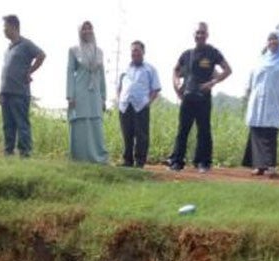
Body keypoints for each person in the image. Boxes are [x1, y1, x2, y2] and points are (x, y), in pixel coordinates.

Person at [167, 22, 231, 173]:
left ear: (207, 35)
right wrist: (176, 86)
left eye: (203, 33)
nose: (200, 35)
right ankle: (176, 162)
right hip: (188, 98)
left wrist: (213, 82)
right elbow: (175, 70)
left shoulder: (213, 52)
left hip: (203, 98)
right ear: (194, 35)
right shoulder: (186, 54)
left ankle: (203, 163)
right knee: (183, 130)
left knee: (204, 130)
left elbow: (228, 70)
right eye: (198, 33)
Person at [242, 31, 279, 177]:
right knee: (256, 129)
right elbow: (250, 79)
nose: (272, 42)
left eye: (275, 39)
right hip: (256, 99)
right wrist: (250, 93)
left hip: (274, 100)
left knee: (270, 131)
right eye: (270, 39)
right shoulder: (260, 59)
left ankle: (270, 167)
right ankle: (258, 166)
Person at [0, 15, 46, 157]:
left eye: (5, 27)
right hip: (6, 93)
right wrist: (1, 92)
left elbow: (41, 55)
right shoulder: (8, 49)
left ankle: (25, 153)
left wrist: (30, 71)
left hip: (20, 92)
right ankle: (8, 152)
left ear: (14, 27)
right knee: (8, 125)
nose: (3, 30)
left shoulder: (25, 44)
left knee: (21, 124)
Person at [66, 21, 109, 164]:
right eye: (83, 28)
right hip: (80, 91)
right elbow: (70, 72)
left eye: (89, 28)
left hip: (95, 92)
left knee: (95, 122)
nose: (87, 31)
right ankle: (80, 158)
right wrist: (70, 95)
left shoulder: (100, 52)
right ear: (79, 31)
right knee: (80, 122)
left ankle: (98, 157)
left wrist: (103, 97)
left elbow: (102, 75)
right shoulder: (73, 50)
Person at [117, 40, 161, 168]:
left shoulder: (150, 69)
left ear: (143, 52)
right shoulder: (125, 69)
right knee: (127, 134)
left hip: (141, 106)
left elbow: (156, 89)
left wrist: (148, 102)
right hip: (125, 106)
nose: (135, 53)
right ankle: (127, 161)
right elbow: (120, 86)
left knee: (141, 135)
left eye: (137, 50)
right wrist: (119, 99)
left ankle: (140, 162)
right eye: (133, 50)